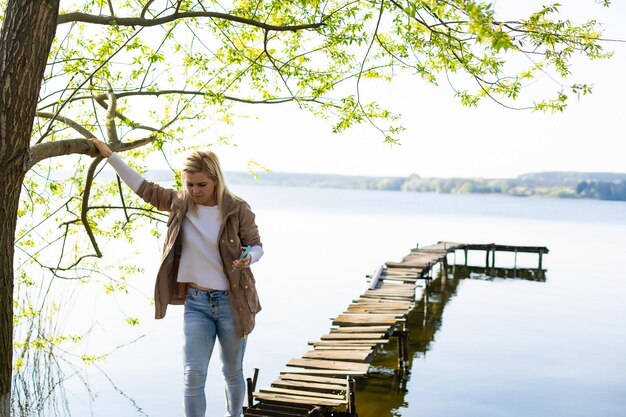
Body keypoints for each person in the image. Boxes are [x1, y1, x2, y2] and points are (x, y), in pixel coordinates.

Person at [90, 138, 263, 417]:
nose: (194, 191)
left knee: (232, 371)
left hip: (233, 304)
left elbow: (256, 244)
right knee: (193, 375)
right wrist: (111, 157)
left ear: (216, 180)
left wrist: (249, 258)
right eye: (190, 184)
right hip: (196, 303)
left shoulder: (237, 208)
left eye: (201, 185)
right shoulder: (179, 203)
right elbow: (144, 188)